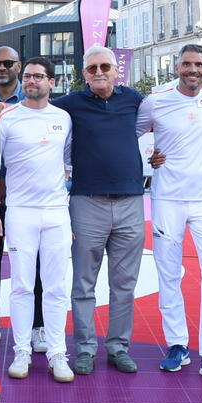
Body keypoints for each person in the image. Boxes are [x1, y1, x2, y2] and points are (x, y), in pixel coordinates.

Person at [135, 44, 202, 385]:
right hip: (168, 198)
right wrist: (147, 160)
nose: (192, 70)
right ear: (176, 67)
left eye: (198, 64)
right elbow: (131, 137)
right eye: (186, 64)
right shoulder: (156, 101)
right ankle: (177, 344)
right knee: (169, 274)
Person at [0, 57, 73, 382]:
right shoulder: (8, 118)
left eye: (39, 77)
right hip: (20, 213)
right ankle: (22, 351)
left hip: (56, 213)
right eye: (28, 76)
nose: (32, 81)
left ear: (51, 83)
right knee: (21, 286)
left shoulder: (64, 119)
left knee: (56, 287)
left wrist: (66, 202)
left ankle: (58, 353)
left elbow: (68, 162)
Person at [51, 45, 143, 376]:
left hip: (131, 201)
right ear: (84, 75)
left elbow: (172, 115)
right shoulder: (71, 103)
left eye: (105, 66)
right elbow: (33, 110)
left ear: (116, 70)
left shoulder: (133, 99)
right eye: (92, 69)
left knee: (124, 283)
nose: (99, 72)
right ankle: (86, 348)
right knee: (83, 283)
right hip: (87, 202)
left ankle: (119, 347)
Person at [0, 45, 43, 346]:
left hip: (22, 195)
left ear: (19, 66)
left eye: (7, 63)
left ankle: (38, 325)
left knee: (32, 264)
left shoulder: (30, 102)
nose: (1, 68)